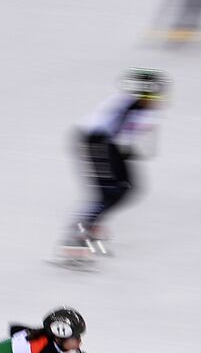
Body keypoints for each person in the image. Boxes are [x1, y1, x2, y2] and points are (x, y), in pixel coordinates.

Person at [57, 69, 168, 264]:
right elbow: (119, 132)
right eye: (155, 95)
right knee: (109, 192)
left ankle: (91, 226)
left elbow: (129, 139)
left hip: (109, 144)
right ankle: (77, 236)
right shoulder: (130, 106)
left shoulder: (142, 106)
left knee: (129, 188)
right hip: (95, 141)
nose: (160, 100)